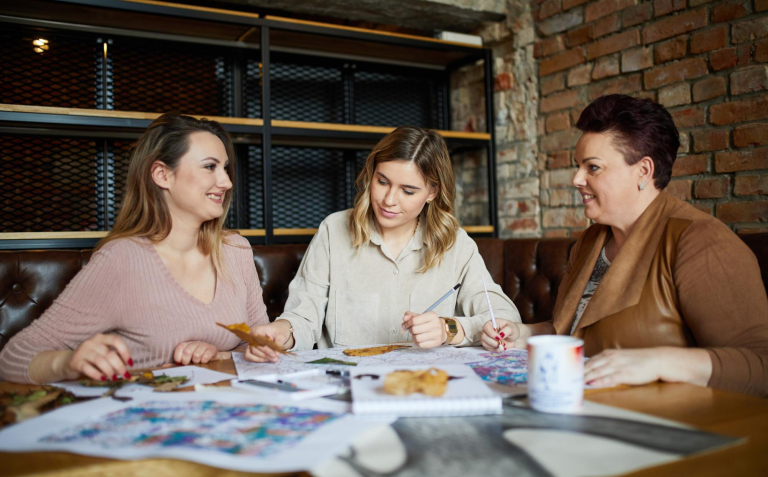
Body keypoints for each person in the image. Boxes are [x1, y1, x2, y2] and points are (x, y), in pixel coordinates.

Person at [482, 94, 768, 396]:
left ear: (643, 171)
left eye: (593, 167)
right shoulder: (591, 240)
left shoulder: (701, 242)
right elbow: (574, 327)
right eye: (578, 166)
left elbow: (761, 365)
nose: (577, 178)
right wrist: (524, 333)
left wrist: (660, 361)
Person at [0, 114, 268, 384]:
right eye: (210, 167)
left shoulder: (235, 250)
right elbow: (13, 357)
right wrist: (69, 363)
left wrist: (220, 355)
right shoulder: (122, 260)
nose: (226, 182)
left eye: (225, 168)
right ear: (162, 175)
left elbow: (263, 347)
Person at [246, 125, 521, 362]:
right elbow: (304, 318)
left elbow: (504, 318)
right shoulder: (333, 231)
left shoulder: (455, 244)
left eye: (408, 190)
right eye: (382, 181)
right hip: (347, 385)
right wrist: (283, 332)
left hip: (425, 385)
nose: (389, 200)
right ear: (371, 174)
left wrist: (449, 328)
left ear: (432, 192)